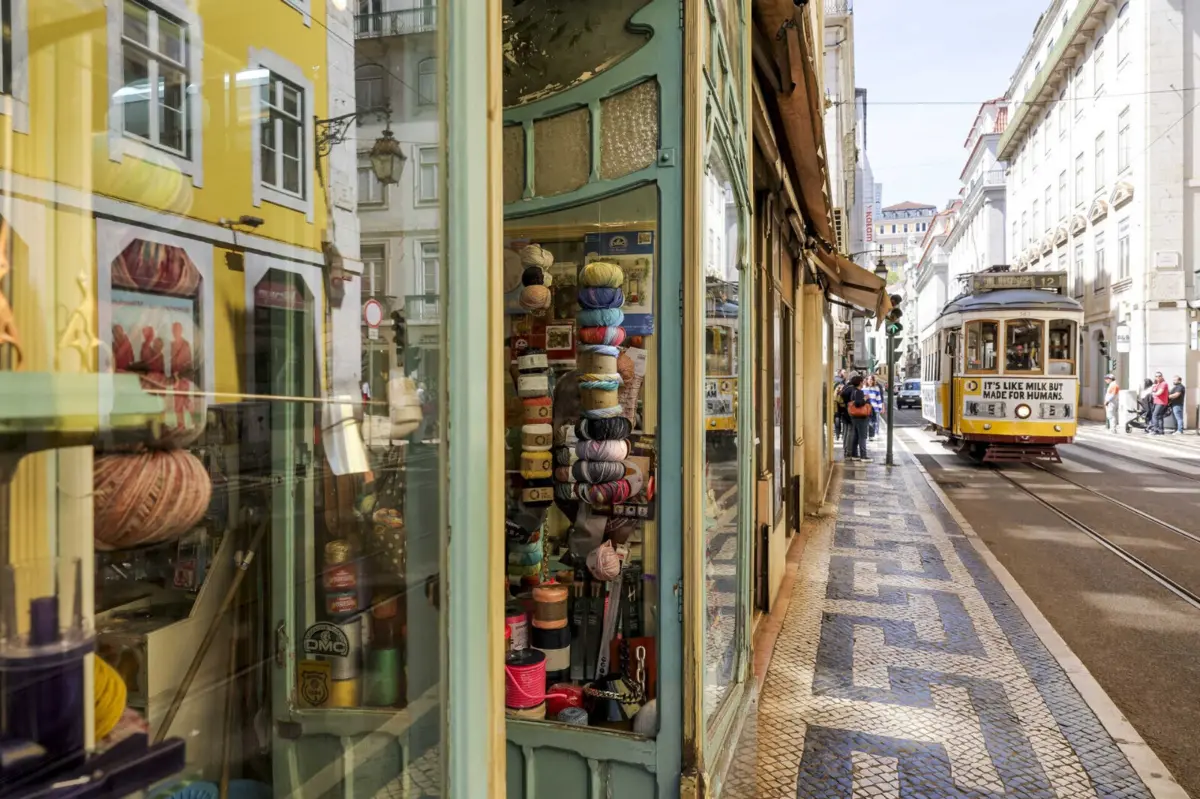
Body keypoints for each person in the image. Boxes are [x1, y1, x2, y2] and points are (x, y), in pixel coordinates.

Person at [843, 375, 871, 462]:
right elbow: (858, 404)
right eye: (862, 381)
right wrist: (865, 398)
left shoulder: (853, 391)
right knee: (862, 435)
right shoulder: (859, 392)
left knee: (855, 435)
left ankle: (854, 455)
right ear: (860, 383)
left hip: (854, 416)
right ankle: (863, 455)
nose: (863, 383)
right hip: (861, 417)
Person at [863, 375, 884, 439]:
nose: (870, 381)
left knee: (874, 421)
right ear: (867, 380)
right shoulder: (864, 388)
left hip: (875, 407)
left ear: (873, 381)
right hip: (866, 408)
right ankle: (868, 434)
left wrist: (880, 408)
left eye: (871, 380)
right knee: (867, 422)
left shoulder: (876, 388)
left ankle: (874, 434)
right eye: (869, 379)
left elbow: (878, 398)